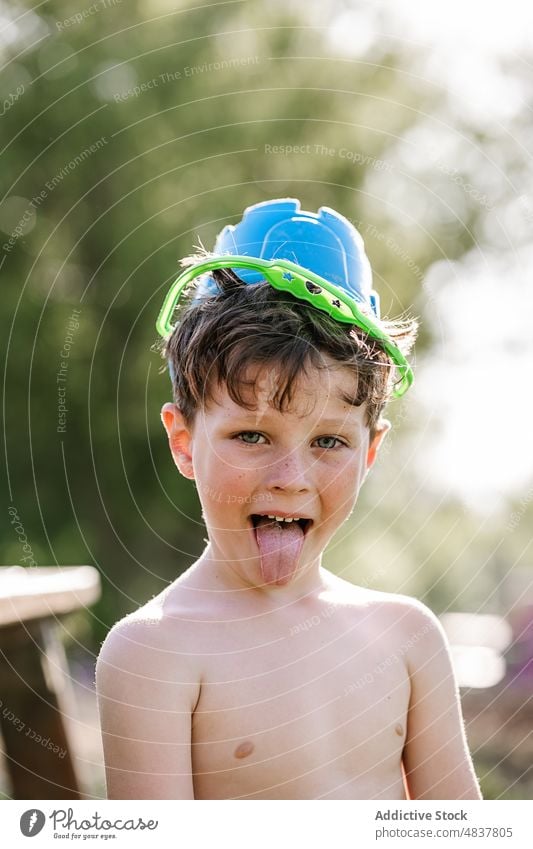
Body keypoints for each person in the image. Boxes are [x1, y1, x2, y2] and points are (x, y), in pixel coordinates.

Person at [96, 198, 482, 800]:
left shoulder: (408, 638)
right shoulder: (154, 652)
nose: (291, 476)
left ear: (370, 452)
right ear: (183, 443)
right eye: (252, 435)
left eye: (329, 441)